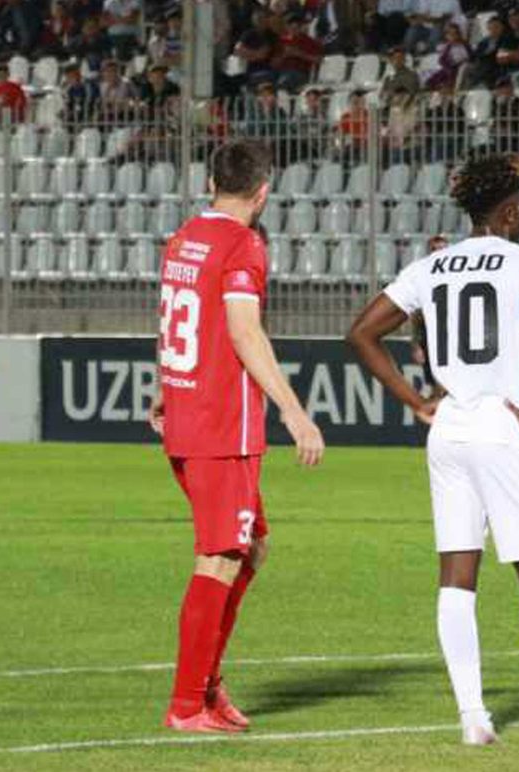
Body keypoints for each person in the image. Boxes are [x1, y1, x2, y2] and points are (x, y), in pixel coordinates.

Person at [345, 153, 519, 747]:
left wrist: (415, 402)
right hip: (503, 427)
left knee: (457, 573)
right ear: (505, 211)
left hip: (447, 428)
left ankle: (473, 717)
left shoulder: (432, 266)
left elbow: (362, 333)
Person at [147, 139, 327, 734]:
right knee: (219, 558)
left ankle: (207, 685)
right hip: (222, 426)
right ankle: (185, 705)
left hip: (189, 416)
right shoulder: (242, 244)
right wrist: (296, 413)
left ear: (209, 184)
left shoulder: (184, 238)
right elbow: (245, 333)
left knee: (249, 549)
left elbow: (178, 316)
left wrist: (164, 388)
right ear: (263, 191)